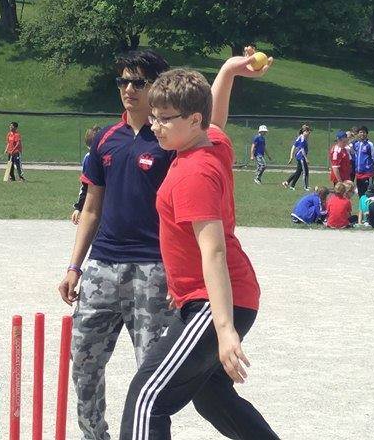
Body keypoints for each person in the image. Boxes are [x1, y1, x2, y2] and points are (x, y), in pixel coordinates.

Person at [119, 51, 279, 440]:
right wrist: (228, 71)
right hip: (214, 297)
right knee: (211, 396)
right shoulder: (209, 144)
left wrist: (224, 330)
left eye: (164, 119)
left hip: (215, 302)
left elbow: (214, 251)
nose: (155, 127)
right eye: (153, 116)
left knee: (147, 397)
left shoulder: (194, 172)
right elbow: (217, 117)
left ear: (192, 120)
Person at [58, 51, 176, 440]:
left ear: (156, 86)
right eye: (123, 81)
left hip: (153, 269)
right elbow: (91, 207)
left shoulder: (170, 141)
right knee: (83, 364)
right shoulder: (106, 139)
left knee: (152, 373)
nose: (128, 89)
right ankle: (95, 435)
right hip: (102, 267)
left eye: (137, 82)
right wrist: (74, 266)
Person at [71, 125, 101, 226]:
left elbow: (85, 185)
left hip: (97, 205)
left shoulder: (89, 158)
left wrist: (78, 207)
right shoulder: (108, 156)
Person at [282, 124, 311, 191]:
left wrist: (291, 156)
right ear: (304, 131)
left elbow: (293, 146)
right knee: (305, 171)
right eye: (307, 132)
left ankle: (288, 183)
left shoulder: (300, 137)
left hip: (299, 157)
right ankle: (305, 187)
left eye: (309, 132)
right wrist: (306, 159)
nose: (308, 133)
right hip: (301, 157)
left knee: (298, 171)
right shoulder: (302, 139)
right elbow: (302, 150)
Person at [352, 126, 374, 196]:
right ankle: (362, 206)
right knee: (360, 193)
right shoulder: (356, 144)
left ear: (366, 134)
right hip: (358, 174)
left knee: (368, 193)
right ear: (358, 134)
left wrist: (367, 166)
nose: (362, 134)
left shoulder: (370, 144)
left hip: (368, 174)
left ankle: (368, 207)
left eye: (364, 132)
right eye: (360, 132)